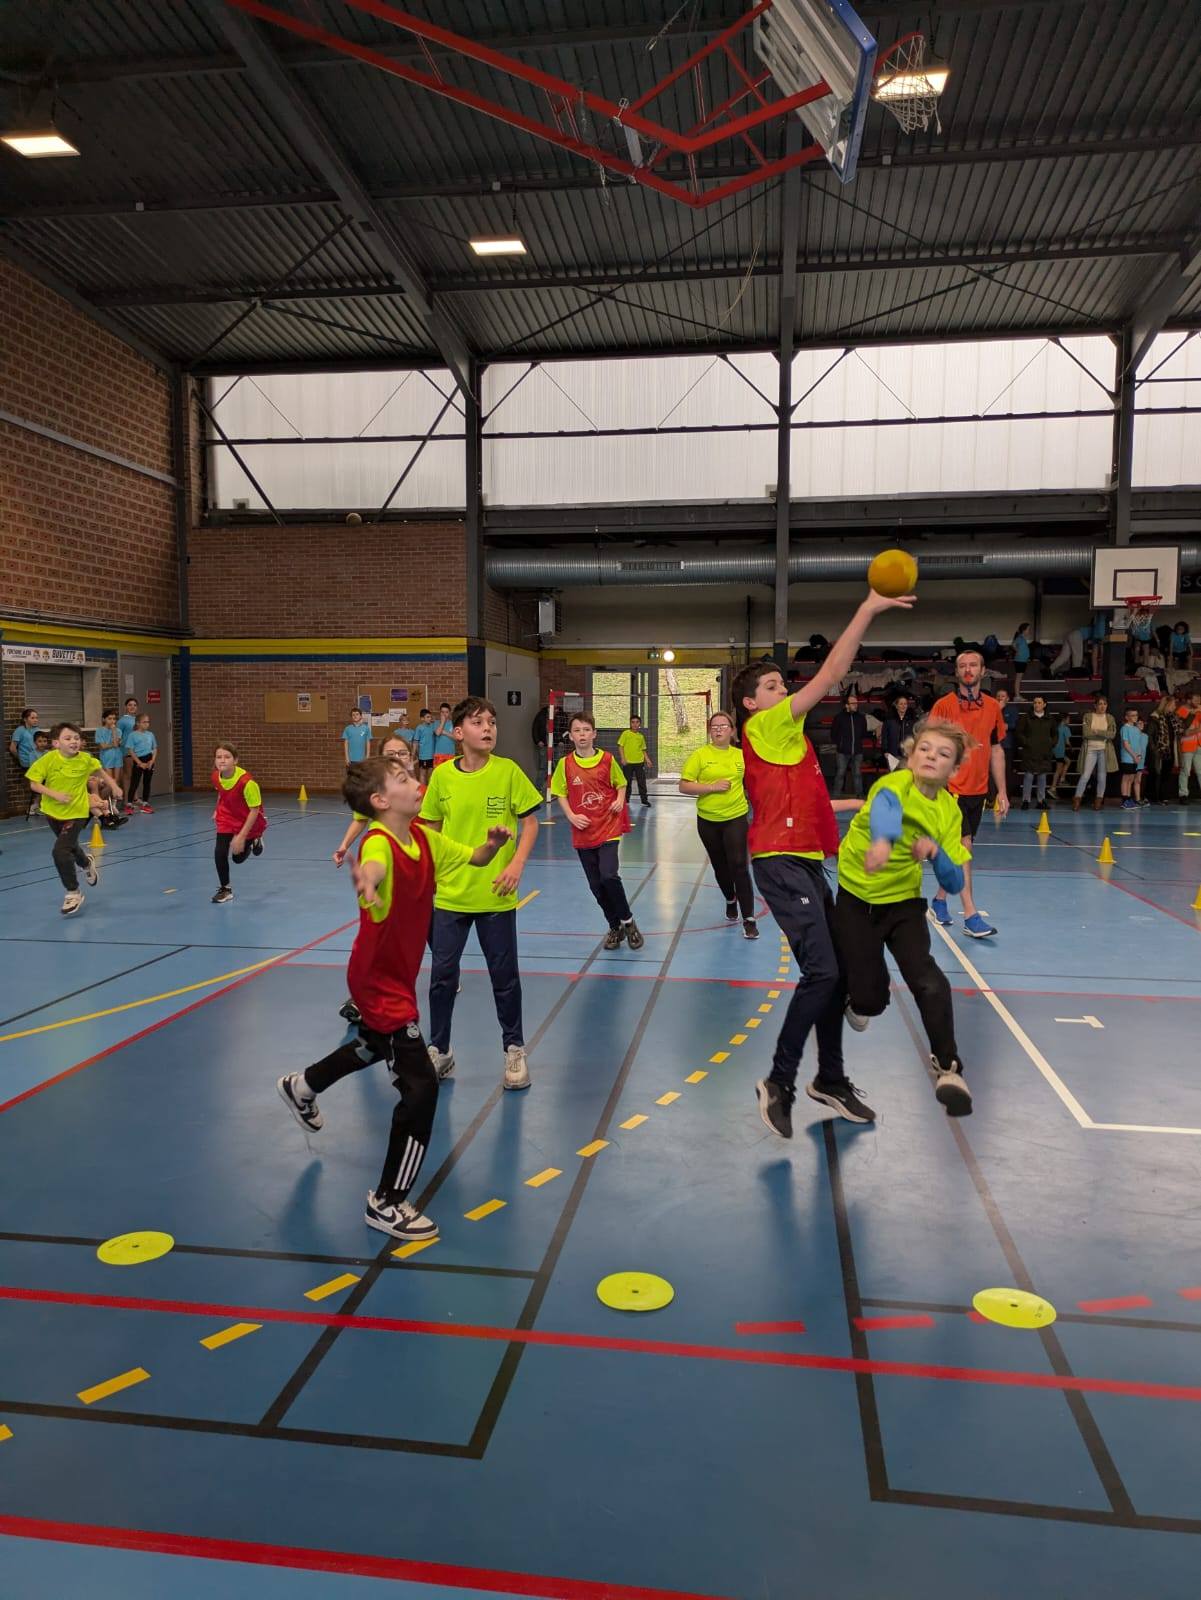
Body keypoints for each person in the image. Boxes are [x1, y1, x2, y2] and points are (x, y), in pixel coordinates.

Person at [277, 755, 511, 1242]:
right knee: (421, 1087)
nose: (415, 782)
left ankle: (303, 1085)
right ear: (381, 800)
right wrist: (368, 879)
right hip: (378, 982)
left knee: (371, 1045)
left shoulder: (424, 837)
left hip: (398, 975)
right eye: (403, 779)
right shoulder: (379, 841)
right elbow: (376, 865)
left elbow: (474, 858)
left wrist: (490, 845)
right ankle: (387, 1201)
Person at [734, 584, 914, 1140]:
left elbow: (802, 802)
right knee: (824, 972)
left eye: (782, 684)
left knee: (836, 972)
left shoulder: (790, 744)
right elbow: (832, 674)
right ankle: (779, 1082)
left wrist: (856, 803)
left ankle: (830, 1079)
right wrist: (867, 609)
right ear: (751, 704)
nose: (783, 690)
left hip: (807, 863)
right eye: (772, 686)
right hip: (780, 863)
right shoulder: (765, 726)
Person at [834, 719, 974, 1117]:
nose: (931, 756)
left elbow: (953, 880)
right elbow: (885, 811)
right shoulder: (893, 785)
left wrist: (935, 853)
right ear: (910, 756)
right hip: (857, 897)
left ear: (954, 769)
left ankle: (948, 1067)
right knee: (871, 1000)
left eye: (943, 754)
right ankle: (858, 997)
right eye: (924, 749)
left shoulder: (948, 811)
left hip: (903, 903)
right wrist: (882, 842)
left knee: (928, 980)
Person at [419, 695, 543, 1091]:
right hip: (450, 896)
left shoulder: (507, 771)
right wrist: (428, 875)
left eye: (492, 721)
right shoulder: (442, 777)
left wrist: (516, 864)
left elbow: (530, 822)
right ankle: (440, 1049)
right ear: (458, 733)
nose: (487, 728)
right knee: (442, 978)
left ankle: (514, 1050)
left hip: (495, 895)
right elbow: (430, 828)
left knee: (504, 978)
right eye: (477, 722)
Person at [928, 651, 1009, 938]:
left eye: (973, 665)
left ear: (983, 671)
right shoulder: (943, 706)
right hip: (950, 790)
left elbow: (996, 749)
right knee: (965, 848)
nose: (968, 669)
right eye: (962, 666)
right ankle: (971, 914)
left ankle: (939, 900)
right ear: (957, 672)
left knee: (957, 850)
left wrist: (1002, 791)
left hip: (979, 790)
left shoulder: (992, 707)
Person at [552, 711, 643, 951]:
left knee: (608, 876)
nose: (582, 734)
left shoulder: (607, 760)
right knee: (596, 885)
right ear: (571, 736)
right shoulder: (565, 764)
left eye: (586, 730)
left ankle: (628, 922)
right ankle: (614, 927)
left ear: (594, 734)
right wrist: (571, 815)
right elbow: (559, 792)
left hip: (608, 827)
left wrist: (619, 800)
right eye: (577, 731)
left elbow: (621, 783)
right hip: (583, 831)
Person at [26, 721, 122, 916]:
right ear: (56, 743)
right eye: (68, 738)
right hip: (53, 812)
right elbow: (34, 784)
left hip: (77, 812)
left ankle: (73, 892)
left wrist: (114, 786)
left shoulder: (85, 759)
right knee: (69, 846)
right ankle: (86, 863)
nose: (73, 741)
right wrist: (55, 794)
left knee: (60, 851)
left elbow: (100, 771)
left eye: (76, 738)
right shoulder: (49, 759)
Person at [678, 709, 757, 939]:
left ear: (732, 731)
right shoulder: (700, 755)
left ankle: (749, 919)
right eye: (714, 727)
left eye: (723, 726)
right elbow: (684, 786)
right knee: (720, 866)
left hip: (736, 817)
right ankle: (730, 899)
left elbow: (756, 781)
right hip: (708, 821)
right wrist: (711, 787)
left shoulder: (741, 756)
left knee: (739, 865)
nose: (718, 729)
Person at [211, 742, 267, 903]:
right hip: (226, 817)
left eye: (227, 757)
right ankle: (225, 889)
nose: (222, 760)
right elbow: (221, 793)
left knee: (237, 858)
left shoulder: (247, 783)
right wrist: (217, 809)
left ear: (235, 760)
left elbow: (254, 810)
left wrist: (242, 837)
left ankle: (254, 840)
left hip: (248, 819)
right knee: (220, 851)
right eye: (219, 757)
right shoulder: (216, 776)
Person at [1072, 694, 1116, 811]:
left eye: (1105, 704)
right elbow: (1086, 734)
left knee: (1102, 777)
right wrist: (1103, 734)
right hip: (1090, 750)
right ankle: (1077, 799)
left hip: (1104, 750)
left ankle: (1098, 801)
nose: (1102, 706)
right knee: (1085, 775)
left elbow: (1112, 734)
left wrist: (1097, 732)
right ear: (1095, 705)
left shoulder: (1110, 718)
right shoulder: (1088, 716)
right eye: (1100, 704)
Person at [1014, 694, 1056, 809]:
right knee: (1029, 776)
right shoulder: (1026, 717)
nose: (1036, 705)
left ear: (1044, 704)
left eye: (1039, 702)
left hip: (1044, 752)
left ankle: (1041, 801)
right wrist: (1026, 742)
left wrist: (1050, 743)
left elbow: (1055, 734)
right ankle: (1026, 801)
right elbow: (1019, 732)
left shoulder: (1050, 718)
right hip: (1030, 751)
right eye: (1035, 702)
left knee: (1042, 776)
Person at [829, 691, 868, 798]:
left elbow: (864, 733)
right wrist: (841, 744)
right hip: (842, 752)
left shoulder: (861, 717)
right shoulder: (839, 718)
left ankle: (860, 797)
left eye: (856, 703)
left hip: (857, 751)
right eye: (853, 703)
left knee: (857, 775)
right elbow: (833, 734)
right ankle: (836, 797)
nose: (856, 705)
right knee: (840, 774)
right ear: (846, 705)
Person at [8, 707, 41, 816]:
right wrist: (20, 758)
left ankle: (36, 805)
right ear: (25, 719)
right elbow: (13, 748)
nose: (35, 720)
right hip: (27, 761)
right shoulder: (20, 730)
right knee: (35, 784)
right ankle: (33, 807)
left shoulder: (37, 730)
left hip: (37, 761)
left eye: (36, 718)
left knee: (42, 782)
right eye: (32, 718)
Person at [1147, 694, 1178, 805]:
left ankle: (1163, 796)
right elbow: (1150, 735)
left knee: (1166, 774)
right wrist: (1154, 750)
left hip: (1169, 750)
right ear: (1167, 704)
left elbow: (1179, 731)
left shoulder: (1172, 717)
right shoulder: (1155, 717)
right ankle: (1153, 797)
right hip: (1159, 750)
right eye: (1173, 704)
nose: (1175, 706)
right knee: (1156, 774)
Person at [617, 714, 653, 806]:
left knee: (642, 782)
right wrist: (623, 758)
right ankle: (626, 800)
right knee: (627, 782)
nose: (635, 724)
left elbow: (643, 750)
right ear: (630, 723)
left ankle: (644, 800)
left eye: (637, 722)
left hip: (639, 763)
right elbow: (621, 746)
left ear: (639, 724)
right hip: (628, 763)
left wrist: (647, 760)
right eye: (633, 722)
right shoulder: (625, 734)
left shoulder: (641, 737)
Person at [125, 713, 157, 812]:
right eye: (144, 722)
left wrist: (152, 760)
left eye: (148, 722)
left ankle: (145, 803)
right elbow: (130, 750)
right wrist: (139, 763)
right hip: (139, 760)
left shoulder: (150, 734)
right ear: (138, 723)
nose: (147, 724)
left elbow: (155, 748)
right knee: (134, 783)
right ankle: (129, 804)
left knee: (147, 782)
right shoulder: (132, 735)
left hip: (149, 760)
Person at [1119, 710, 1149, 809]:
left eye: (1136, 715)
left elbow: (1138, 745)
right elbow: (1126, 744)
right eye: (1132, 715)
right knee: (1126, 779)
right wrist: (1134, 756)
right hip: (1127, 758)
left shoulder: (1136, 729)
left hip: (1135, 759)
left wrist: (1138, 756)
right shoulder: (1125, 728)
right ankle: (1124, 800)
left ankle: (1128, 798)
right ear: (1127, 717)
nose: (1135, 717)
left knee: (1131, 779)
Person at [880, 693, 916, 772]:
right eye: (901, 704)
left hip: (906, 754)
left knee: (904, 776)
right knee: (894, 776)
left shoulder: (911, 721)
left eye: (905, 704)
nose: (903, 706)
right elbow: (884, 736)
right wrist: (885, 751)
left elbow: (914, 737)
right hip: (892, 754)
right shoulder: (889, 720)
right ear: (896, 706)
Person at [116, 696, 139, 811]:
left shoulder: (137, 719)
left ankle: (135, 798)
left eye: (134, 705)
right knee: (127, 776)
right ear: (126, 707)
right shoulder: (122, 721)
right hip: (127, 751)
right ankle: (126, 801)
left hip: (138, 752)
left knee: (136, 776)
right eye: (130, 705)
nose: (132, 707)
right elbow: (117, 736)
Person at [1178, 693, 1201, 802]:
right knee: (1185, 770)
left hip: (1199, 744)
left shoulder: (1199, 710)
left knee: (1200, 771)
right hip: (1187, 745)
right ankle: (1183, 795)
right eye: (1196, 700)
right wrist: (1197, 730)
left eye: (1199, 700)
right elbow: (1184, 730)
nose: (1198, 702)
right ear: (1188, 701)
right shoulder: (1181, 711)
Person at [1050, 712, 1072, 799]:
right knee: (1058, 770)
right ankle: (1053, 788)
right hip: (1060, 751)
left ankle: (1062, 779)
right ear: (1064, 719)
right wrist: (1071, 747)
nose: (1069, 720)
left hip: (1055, 750)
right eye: (1068, 719)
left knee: (1068, 761)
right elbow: (1067, 742)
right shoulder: (1066, 728)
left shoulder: (1056, 728)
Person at [412, 707, 437, 782]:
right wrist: (413, 753)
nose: (430, 718)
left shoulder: (432, 726)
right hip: (423, 755)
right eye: (427, 717)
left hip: (432, 755)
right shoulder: (419, 728)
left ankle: (429, 788)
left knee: (431, 773)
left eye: (430, 717)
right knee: (422, 773)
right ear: (422, 718)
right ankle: (422, 789)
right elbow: (415, 742)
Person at [1011, 623, 1031, 698]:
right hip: (1020, 661)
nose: (1029, 631)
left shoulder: (1022, 638)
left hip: (1022, 661)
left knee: (1019, 679)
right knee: (1018, 679)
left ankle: (1017, 695)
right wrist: (1018, 651)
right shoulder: (1020, 638)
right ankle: (1017, 696)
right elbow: (1013, 645)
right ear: (1024, 630)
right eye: (1028, 629)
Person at [432, 702, 455, 768]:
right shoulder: (436, 723)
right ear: (440, 712)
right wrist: (443, 722)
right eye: (442, 712)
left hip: (450, 753)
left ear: (449, 713)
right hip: (438, 753)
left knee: (449, 772)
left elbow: (456, 738)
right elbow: (438, 733)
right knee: (438, 771)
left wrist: (445, 732)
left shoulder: (453, 723)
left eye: (446, 712)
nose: (444, 714)